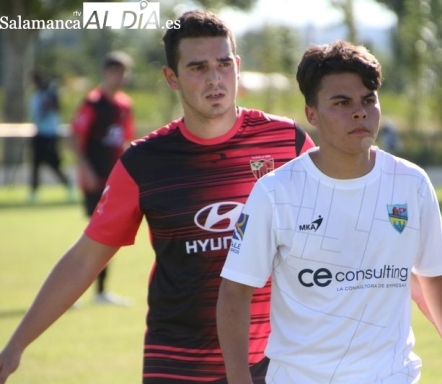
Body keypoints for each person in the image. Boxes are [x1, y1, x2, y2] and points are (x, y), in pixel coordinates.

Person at [0, 10, 316, 384]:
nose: (215, 78)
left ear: (237, 66)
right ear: (172, 77)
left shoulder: (287, 143)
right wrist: (14, 347)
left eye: (223, 63)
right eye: (198, 67)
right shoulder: (144, 162)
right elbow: (85, 258)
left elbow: (338, 227)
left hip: (273, 361)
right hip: (177, 363)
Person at [217, 40, 442, 383]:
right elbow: (235, 291)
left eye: (368, 100)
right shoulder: (275, 192)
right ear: (311, 114)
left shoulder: (410, 182)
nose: (359, 112)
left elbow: (436, 274)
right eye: (342, 103)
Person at [70, 50, 135, 306]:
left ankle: (100, 293)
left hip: (114, 181)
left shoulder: (124, 105)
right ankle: (75, 290)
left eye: (123, 72)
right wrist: (85, 170)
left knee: (108, 236)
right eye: (114, 71)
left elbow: (126, 142)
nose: (119, 77)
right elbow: (74, 138)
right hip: (95, 180)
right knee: (95, 237)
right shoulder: (93, 102)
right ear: (105, 73)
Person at [27, 69, 74, 203]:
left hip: (50, 134)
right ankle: (33, 193)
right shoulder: (36, 95)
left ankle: (68, 184)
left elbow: (58, 107)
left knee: (53, 163)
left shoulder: (50, 93)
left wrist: (49, 104)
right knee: (35, 164)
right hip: (39, 133)